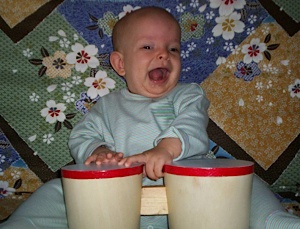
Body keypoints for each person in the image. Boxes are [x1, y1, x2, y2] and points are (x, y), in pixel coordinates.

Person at [1, 6, 299, 229]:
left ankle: (274, 220)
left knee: (244, 181)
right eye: (148, 47)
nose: (163, 55)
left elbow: (191, 123)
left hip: (192, 189)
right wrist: (99, 153)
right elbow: (82, 134)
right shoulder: (107, 106)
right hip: (117, 195)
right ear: (120, 63)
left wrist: (166, 150)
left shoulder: (187, 94)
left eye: (173, 48)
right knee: (61, 189)